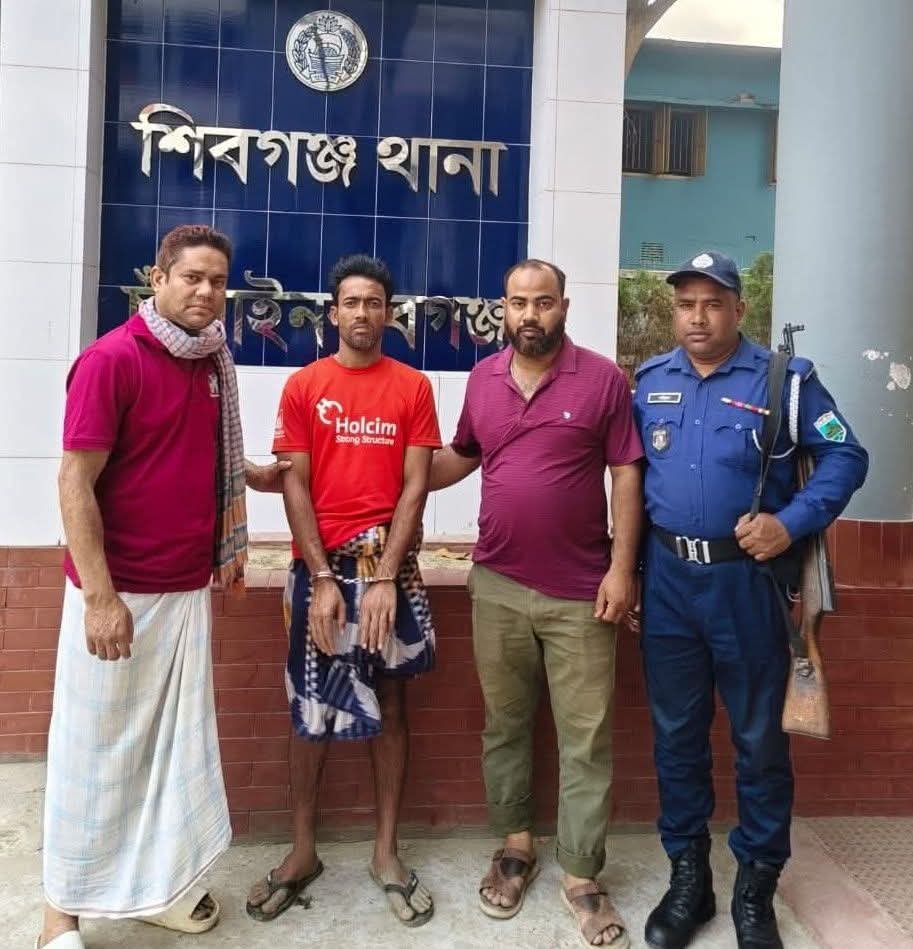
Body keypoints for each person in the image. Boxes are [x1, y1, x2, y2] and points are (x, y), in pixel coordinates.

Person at [38, 225, 288, 949]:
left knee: (168, 760)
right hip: (118, 598)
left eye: (218, 281)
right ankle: (59, 914)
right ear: (158, 278)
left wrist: (252, 475)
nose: (207, 291)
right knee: (94, 756)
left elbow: (189, 451)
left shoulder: (210, 360)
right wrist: (99, 598)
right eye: (192, 277)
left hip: (184, 592)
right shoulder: (111, 360)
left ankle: (157, 890)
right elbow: (74, 480)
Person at [633, 251, 868, 949]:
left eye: (713, 303)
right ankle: (689, 880)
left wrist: (789, 523)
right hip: (668, 583)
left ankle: (755, 886)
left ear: (739, 309)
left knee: (759, 742)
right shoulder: (649, 381)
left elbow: (846, 455)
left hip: (747, 586)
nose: (698, 317)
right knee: (676, 739)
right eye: (686, 304)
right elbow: (627, 479)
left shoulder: (784, 381)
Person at [430, 259, 644, 948]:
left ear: (564, 308)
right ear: (503, 308)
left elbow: (625, 473)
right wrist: (387, 472)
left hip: (581, 591)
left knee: (586, 740)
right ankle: (515, 845)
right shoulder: (483, 378)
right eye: (518, 302)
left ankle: (581, 874)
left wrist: (621, 569)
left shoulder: (602, 380)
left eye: (543, 302)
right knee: (505, 725)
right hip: (496, 584)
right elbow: (462, 454)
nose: (530, 314)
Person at [246, 255, 441, 928]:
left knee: (392, 701)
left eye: (374, 302)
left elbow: (415, 486)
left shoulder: (413, 387)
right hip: (319, 572)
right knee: (311, 709)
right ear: (333, 314)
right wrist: (323, 577)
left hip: (389, 569)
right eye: (351, 302)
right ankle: (303, 850)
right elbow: (294, 483)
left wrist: (384, 575)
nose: (362, 312)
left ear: (389, 313)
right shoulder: (304, 385)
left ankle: (386, 851)